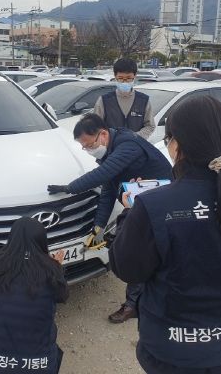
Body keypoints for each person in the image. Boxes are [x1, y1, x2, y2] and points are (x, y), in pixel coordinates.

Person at [109, 95, 221, 374]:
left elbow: (127, 268)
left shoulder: (153, 206)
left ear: (176, 144)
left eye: (167, 138)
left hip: (173, 352)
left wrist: (129, 213)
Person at [47, 113, 172, 324]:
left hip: (162, 202)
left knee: (142, 251)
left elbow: (102, 174)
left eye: (89, 145)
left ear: (103, 134)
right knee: (142, 251)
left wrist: (69, 188)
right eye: (84, 148)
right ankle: (140, 301)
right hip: (142, 200)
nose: (88, 150)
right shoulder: (111, 151)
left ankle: (136, 304)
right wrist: (99, 226)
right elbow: (107, 190)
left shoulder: (128, 144)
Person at [0, 217, 68, 374]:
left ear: (12, 238)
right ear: (42, 241)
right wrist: (57, 267)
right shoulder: (51, 271)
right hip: (36, 366)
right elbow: (62, 296)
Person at [93, 58, 155, 140]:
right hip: (112, 146)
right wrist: (112, 138)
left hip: (135, 145)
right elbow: (95, 126)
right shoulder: (104, 100)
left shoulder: (143, 100)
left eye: (129, 78)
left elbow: (150, 125)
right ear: (115, 76)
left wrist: (134, 137)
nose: (124, 82)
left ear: (135, 76)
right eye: (121, 78)